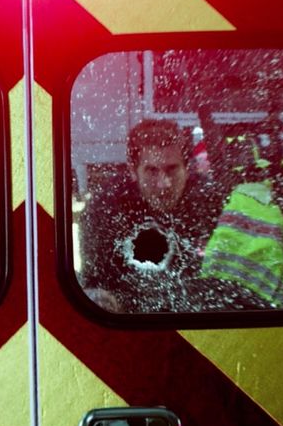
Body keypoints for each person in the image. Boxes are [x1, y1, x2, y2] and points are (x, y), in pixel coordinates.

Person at [77, 119, 226, 313]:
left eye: (172, 169)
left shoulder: (209, 203)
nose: (164, 184)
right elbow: (94, 284)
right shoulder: (105, 210)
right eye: (152, 171)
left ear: (187, 168)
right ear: (132, 171)